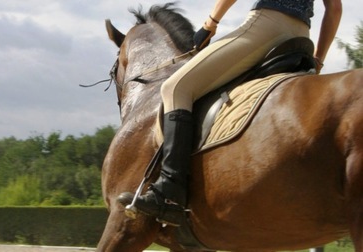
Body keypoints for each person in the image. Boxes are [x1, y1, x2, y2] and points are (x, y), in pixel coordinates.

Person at [118, 0, 342, 226]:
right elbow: (334, 9)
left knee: (175, 88)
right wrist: (318, 60)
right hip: (301, 38)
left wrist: (211, 23)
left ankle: (169, 189)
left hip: (266, 26)